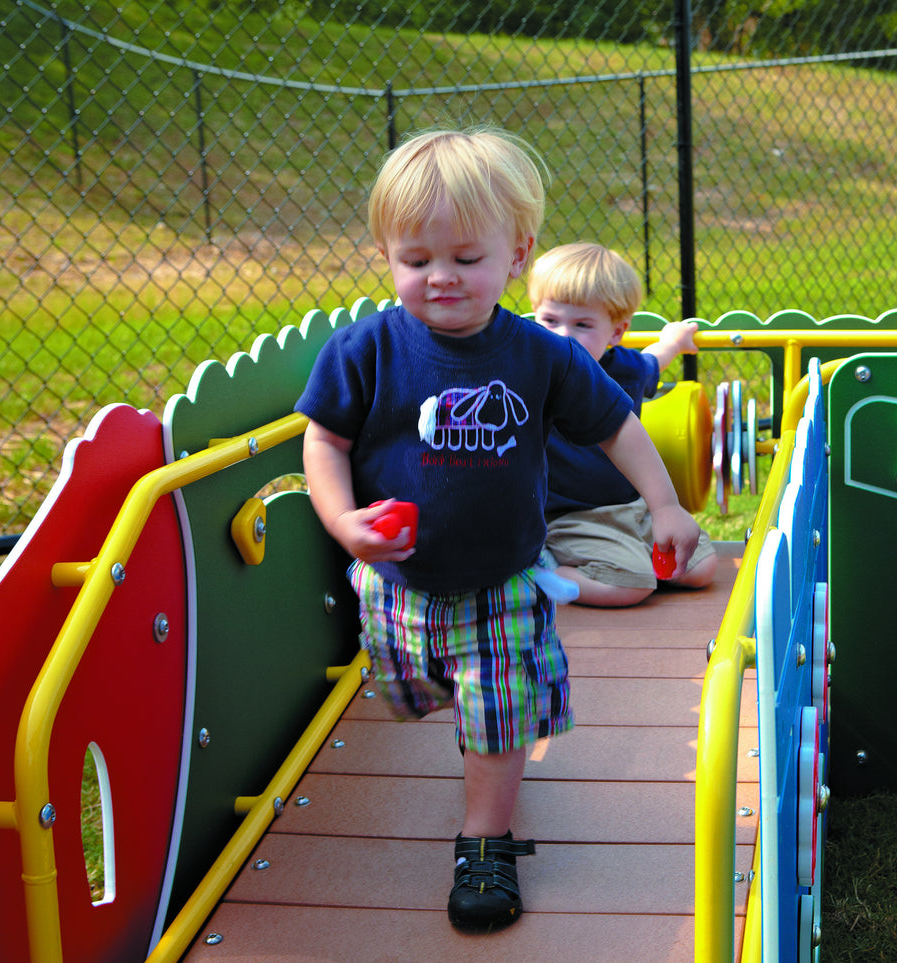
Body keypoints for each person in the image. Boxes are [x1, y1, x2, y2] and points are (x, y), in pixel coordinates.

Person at [295, 127, 701, 930]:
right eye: (415, 260)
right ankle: (480, 732)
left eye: (465, 259)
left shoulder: (537, 353)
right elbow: (325, 440)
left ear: (515, 255)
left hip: (504, 579)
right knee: (420, 695)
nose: (440, 278)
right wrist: (344, 523)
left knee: (497, 713)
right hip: (398, 583)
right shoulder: (365, 349)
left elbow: (615, 424)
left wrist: (663, 501)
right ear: (386, 254)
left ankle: (485, 841)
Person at [528, 242, 718, 607]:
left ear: (616, 332)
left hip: (632, 507)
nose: (563, 335)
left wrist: (673, 342)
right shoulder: (535, 372)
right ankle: (539, 574)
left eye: (582, 325)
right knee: (633, 587)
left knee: (701, 568)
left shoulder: (625, 370)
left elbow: (653, 361)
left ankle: (626, 563)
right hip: (569, 516)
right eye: (550, 320)